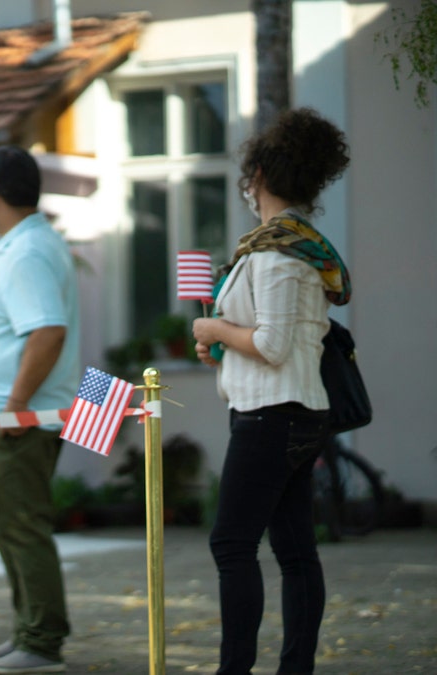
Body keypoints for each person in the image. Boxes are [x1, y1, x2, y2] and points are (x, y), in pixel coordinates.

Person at [191, 107, 350, 675]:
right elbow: (269, 338)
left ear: (257, 175)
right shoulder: (298, 246)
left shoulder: (277, 252)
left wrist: (213, 329)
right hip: (294, 413)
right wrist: (221, 341)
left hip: (271, 415)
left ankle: (236, 669)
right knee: (294, 552)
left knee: (232, 545)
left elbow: (274, 343)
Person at [0, 145, 79, 675]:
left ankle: (42, 641)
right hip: (9, 418)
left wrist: (14, 405)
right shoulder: (21, 245)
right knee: (7, 523)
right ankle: (27, 630)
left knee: (20, 524)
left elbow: (48, 330)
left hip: (19, 421)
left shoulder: (28, 253)